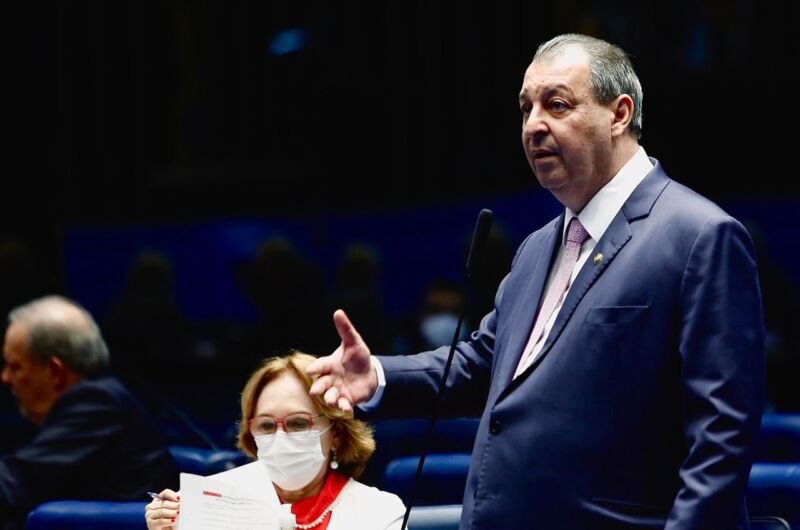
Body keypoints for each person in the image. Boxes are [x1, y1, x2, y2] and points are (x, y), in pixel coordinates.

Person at [306, 33, 765, 529]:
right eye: (526, 108)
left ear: (619, 114)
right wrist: (378, 376)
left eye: (557, 105)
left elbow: (721, 437)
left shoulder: (699, 236)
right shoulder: (537, 247)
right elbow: (484, 364)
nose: (533, 125)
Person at [145, 351, 405, 530]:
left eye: (298, 423)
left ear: (336, 433)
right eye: (266, 425)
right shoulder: (209, 504)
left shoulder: (379, 512)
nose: (280, 437)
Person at [0, 295, 178, 528]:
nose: (5, 378)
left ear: (55, 371)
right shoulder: (98, 396)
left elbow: (16, 485)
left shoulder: (97, 402)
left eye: (15, 367)